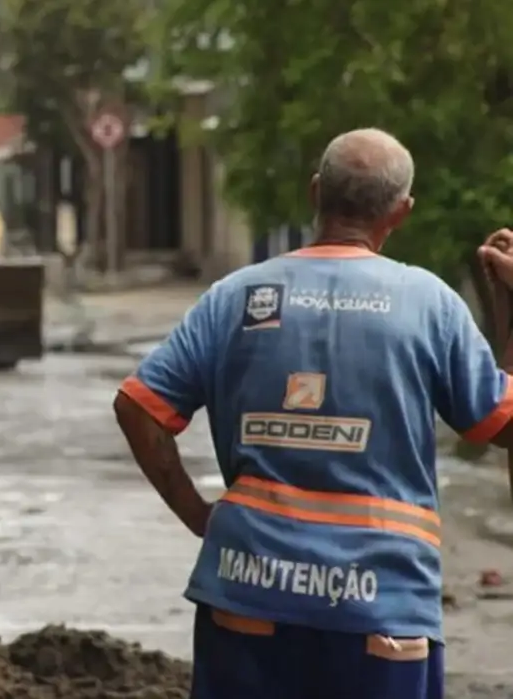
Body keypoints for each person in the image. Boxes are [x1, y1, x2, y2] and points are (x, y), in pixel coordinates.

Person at [114, 127, 513, 699]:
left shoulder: (236, 297)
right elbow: (501, 425)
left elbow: (138, 406)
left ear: (316, 192)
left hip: (246, 595)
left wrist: (198, 515)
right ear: (401, 212)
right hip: (382, 607)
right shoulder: (430, 304)